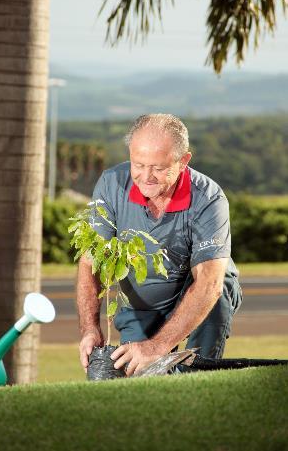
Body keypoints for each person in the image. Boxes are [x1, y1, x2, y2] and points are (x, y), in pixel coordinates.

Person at [76, 114, 242, 377]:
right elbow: (91, 262)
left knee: (217, 298)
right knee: (137, 378)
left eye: (159, 168)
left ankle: (198, 394)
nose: (146, 176)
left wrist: (158, 347)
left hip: (200, 295)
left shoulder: (209, 198)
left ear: (184, 160)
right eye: (138, 164)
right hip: (140, 304)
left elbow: (209, 283)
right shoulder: (111, 184)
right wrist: (89, 328)